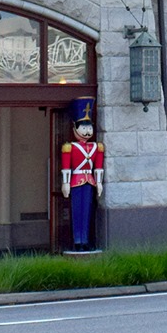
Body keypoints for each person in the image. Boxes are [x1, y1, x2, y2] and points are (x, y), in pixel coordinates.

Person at [60, 102, 104, 252]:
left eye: (89, 127)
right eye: (83, 128)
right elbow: (66, 167)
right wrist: (65, 183)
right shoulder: (69, 147)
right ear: (75, 129)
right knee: (77, 211)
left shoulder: (96, 147)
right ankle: (77, 240)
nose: (87, 131)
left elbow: (98, 166)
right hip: (76, 181)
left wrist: (99, 182)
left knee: (87, 211)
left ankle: (85, 239)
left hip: (89, 181)